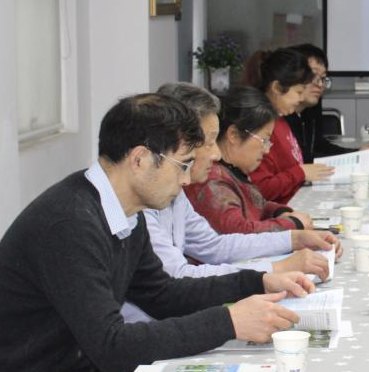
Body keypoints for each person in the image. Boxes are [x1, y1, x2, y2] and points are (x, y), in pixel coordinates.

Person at [0, 94, 314, 372]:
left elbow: (163, 295)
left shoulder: (123, 214)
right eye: (182, 165)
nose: (186, 181)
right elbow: (110, 345)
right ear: (139, 159)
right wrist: (229, 321)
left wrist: (255, 282)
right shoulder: (69, 223)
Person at [122, 83, 343, 323]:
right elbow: (177, 278)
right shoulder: (142, 203)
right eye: (209, 142)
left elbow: (214, 245)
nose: (216, 154)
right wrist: (275, 270)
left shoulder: (174, 192)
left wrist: (293, 239)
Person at [187, 87, 317, 234]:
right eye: (264, 140)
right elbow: (238, 232)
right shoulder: (211, 179)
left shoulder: (231, 170)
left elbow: (256, 203)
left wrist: (279, 212)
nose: (266, 150)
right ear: (234, 135)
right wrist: (293, 223)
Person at [245, 48, 334, 203]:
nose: (301, 99)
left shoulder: (282, 120)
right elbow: (260, 189)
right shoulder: (260, 127)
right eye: (298, 92)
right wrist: (300, 173)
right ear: (276, 88)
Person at [287, 43, 355, 163]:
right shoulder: (280, 113)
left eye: (323, 78)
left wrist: (358, 153)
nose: (320, 84)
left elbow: (318, 146)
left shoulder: (312, 105)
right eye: (313, 75)